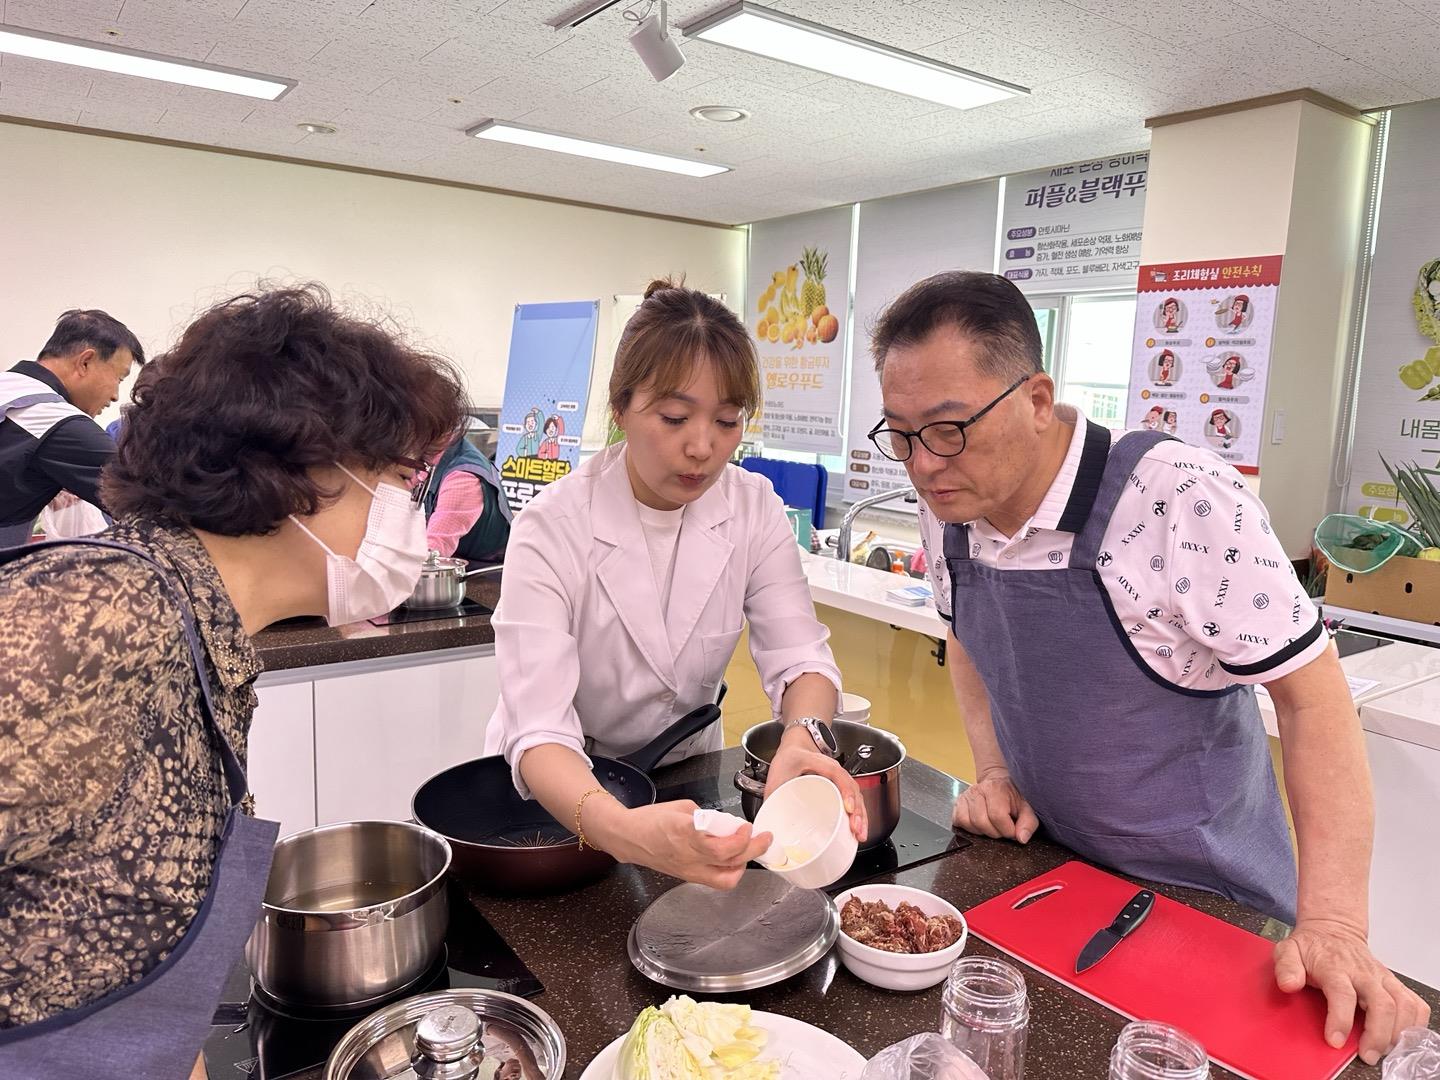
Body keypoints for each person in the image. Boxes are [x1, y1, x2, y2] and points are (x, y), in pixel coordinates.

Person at [868, 270, 1428, 1066]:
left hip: (1209, 902)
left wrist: (1335, 922)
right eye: (901, 433)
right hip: (1057, 877)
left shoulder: (1179, 500)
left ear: (1035, 398)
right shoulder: (952, 493)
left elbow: (1315, 700)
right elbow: (964, 631)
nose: (924, 464)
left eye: (949, 427)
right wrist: (992, 771)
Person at [0, 285, 466, 1078]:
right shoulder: (100, 616)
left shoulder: (198, 630)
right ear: (298, 468)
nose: (406, 513)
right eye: (399, 477)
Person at [484, 279, 865, 890]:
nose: (702, 447)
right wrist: (624, 831)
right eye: (674, 417)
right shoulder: (552, 526)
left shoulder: (752, 507)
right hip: (568, 786)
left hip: (688, 771)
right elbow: (539, 728)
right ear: (620, 407)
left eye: (727, 420)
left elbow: (801, 658)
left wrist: (803, 737)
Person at [0, 309, 141, 547]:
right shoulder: (56, 421)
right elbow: (145, 499)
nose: (116, 395)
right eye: (119, 378)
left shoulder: (8, 387)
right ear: (85, 362)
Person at [420, 424, 512, 561]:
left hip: (485, 570)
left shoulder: (463, 477)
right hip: (454, 558)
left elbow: (433, 549)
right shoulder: (426, 459)